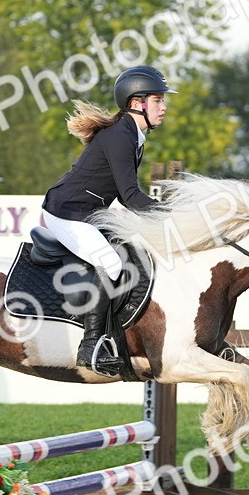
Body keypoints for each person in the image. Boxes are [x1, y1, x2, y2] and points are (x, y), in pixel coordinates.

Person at [42, 65, 175, 375]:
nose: (164, 106)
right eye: (157, 100)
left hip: (90, 212)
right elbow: (130, 196)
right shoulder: (120, 136)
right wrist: (172, 215)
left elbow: (124, 195)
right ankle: (89, 347)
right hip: (67, 212)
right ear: (136, 103)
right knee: (112, 263)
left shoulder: (133, 135)